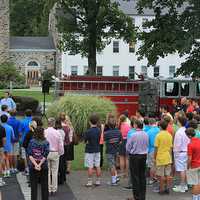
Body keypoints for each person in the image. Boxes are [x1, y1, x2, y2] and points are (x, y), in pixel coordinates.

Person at [126, 119, 149, 200]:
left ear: (136, 125)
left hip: (135, 156)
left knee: (135, 177)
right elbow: (147, 145)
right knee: (142, 176)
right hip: (143, 156)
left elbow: (128, 147)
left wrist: (129, 152)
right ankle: (142, 196)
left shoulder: (133, 135)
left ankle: (137, 197)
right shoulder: (146, 134)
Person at [27, 127, 49, 200]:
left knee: (33, 186)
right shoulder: (46, 142)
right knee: (44, 185)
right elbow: (45, 155)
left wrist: (36, 165)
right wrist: (39, 164)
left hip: (33, 165)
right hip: (43, 165)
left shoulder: (31, 142)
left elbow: (29, 154)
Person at [45, 118, 64, 195]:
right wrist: (60, 153)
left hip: (46, 152)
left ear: (48, 123)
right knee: (54, 171)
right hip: (55, 152)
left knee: (48, 172)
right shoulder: (57, 133)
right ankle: (54, 189)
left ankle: (49, 189)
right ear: (54, 124)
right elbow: (60, 144)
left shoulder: (44, 132)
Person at [154, 120, 173, 195]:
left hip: (160, 157)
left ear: (160, 127)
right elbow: (171, 148)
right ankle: (167, 188)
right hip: (168, 156)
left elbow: (156, 148)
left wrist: (154, 157)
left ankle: (161, 189)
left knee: (161, 175)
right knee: (168, 174)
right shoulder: (169, 135)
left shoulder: (158, 135)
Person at [173, 116, 190, 193]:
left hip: (180, 152)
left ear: (179, 122)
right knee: (185, 169)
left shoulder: (179, 132)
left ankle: (182, 186)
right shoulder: (186, 130)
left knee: (182, 170)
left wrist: (175, 153)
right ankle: (184, 185)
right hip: (186, 151)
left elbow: (177, 145)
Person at [84, 113, 101, 187]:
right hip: (97, 149)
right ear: (97, 121)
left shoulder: (88, 131)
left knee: (90, 166)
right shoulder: (99, 130)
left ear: (89, 122)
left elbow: (85, 141)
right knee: (97, 165)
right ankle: (98, 181)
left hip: (89, 150)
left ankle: (90, 181)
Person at [104, 115, 122, 185]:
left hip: (109, 151)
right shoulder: (119, 132)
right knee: (114, 164)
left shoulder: (106, 133)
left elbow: (104, 140)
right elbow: (120, 141)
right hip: (116, 150)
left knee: (112, 165)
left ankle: (113, 181)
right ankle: (116, 177)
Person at [186, 128, 200, 200]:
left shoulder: (190, 144)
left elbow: (189, 158)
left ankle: (195, 198)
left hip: (194, 165)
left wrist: (187, 167)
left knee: (195, 183)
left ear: (189, 136)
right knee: (198, 182)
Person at [146, 118, 160, 185]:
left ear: (149, 123)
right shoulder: (159, 130)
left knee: (152, 165)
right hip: (159, 150)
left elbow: (147, 143)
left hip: (151, 150)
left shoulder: (148, 132)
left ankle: (152, 179)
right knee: (158, 165)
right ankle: (157, 178)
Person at [19, 109, 32, 175]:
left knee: (24, 155)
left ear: (25, 114)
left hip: (24, 140)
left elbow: (20, 133)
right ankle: (32, 169)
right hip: (32, 140)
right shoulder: (34, 121)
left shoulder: (22, 121)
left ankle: (27, 169)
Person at [55, 119, 66, 185]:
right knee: (62, 164)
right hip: (62, 149)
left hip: (57, 149)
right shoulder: (62, 131)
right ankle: (62, 178)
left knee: (58, 165)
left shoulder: (57, 131)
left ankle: (58, 179)